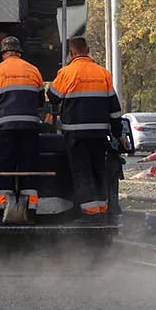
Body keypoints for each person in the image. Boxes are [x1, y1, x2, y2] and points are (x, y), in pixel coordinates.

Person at [49, 36, 121, 217]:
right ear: (88, 50)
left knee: (82, 172)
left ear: (71, 52)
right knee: (98, 169)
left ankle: (90, 211)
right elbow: (114, 108)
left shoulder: (66, 73)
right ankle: (103, 209)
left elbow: (53, 96)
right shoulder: (103, 73)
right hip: (99, 133)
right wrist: (117, 133)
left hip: (75, 134)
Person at [0, 35, 45, 208]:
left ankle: (4, 208)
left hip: (5, 128)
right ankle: (30, 209)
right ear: (19, 52)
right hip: (30, 127)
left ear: (3, 53)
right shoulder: (34, 70)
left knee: (4, 166)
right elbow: (40, 103)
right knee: (29, 166)